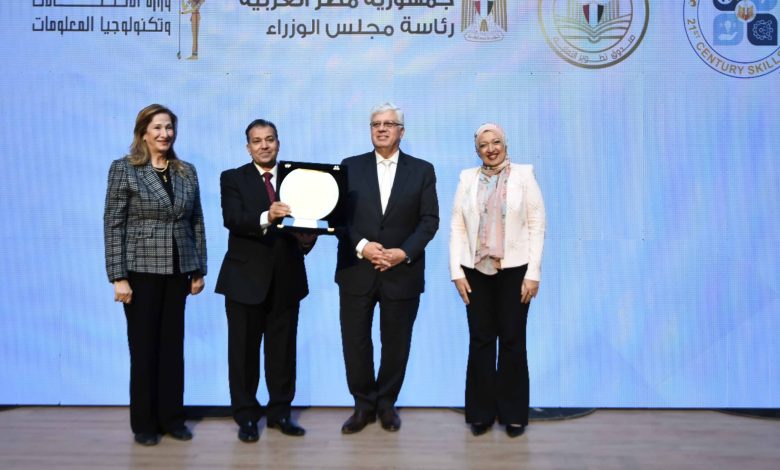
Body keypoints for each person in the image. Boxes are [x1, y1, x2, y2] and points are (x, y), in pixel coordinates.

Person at [104, 104, 207, 446]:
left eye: (169, 127)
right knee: (144, 348)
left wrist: (198, 268)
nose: (165, 134)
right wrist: (118, 277)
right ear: (144, 132)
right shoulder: (125, 169)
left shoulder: (186, 171)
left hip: (178, 269)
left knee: (172, 348)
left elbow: (196, 221)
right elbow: (113, 224)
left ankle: (172, 419)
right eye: (158, 127)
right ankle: (145, 424)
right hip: (141, 271)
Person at [335, 102, 439, 433]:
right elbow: (338, 217)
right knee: (355, 342)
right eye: (376, 124)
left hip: (402, 272)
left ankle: (386, 404)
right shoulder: (349, 166)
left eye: (389, 123)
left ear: (401, 131)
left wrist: (403, 253)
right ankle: (363, 405)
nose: (381, 128)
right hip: (357, 269)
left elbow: (429, 220)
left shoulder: (422, 170)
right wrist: (363, 247)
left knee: (396, 343)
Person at [215, 119, 316, 443]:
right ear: (248, 147)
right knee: (243, 355)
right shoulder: (233, 178)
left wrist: (310, 235)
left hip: (287, 279)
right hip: (244, 281)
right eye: (257, 141)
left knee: (283, 353)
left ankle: (280, 414)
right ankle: (246, 417)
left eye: (269, 139)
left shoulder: (297, 179)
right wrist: (267, 217)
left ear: (278, 143)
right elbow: (233, 219)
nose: (264, 146)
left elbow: (310, 219)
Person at [449, 123, 545, 438]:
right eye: (483, 145)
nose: (491, 149)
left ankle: (513, 415)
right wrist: (456, 271)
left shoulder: (524, 175)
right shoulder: (467, 178)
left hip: (515, 270)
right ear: (476, 150)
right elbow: (457, 226)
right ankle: (481, 414)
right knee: (480, 340)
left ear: (505, 144)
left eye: (496, 142)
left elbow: (537, 224)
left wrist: (533, 273)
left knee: (513, 340)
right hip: (475, 270)